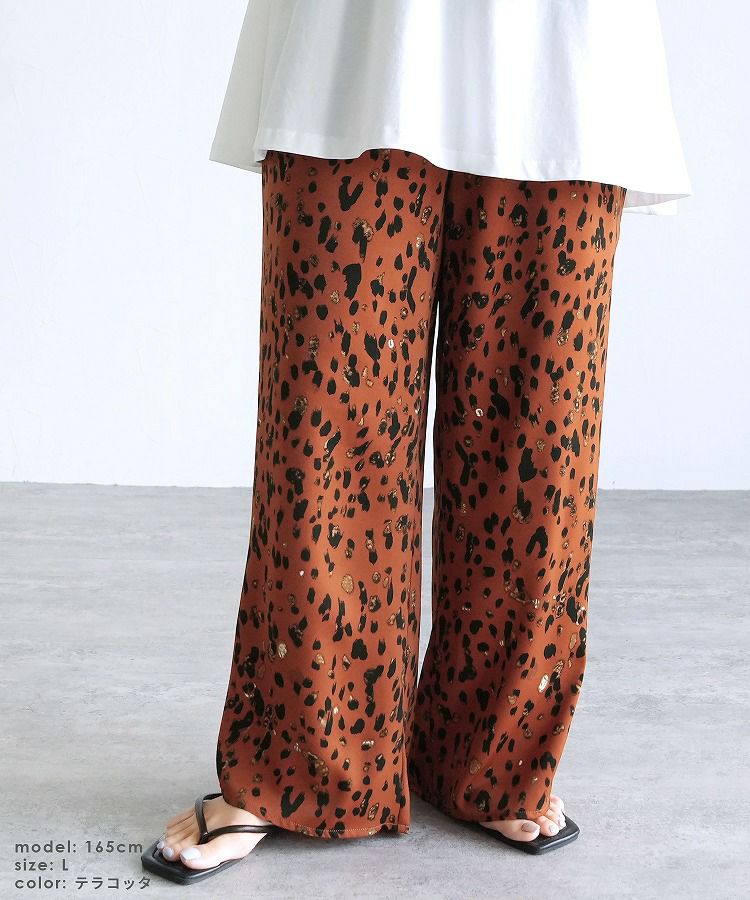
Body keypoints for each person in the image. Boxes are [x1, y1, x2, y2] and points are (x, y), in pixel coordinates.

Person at [142, 0, 692, 885]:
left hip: (563, 43)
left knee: (539, 435)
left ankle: (496, 755)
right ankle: (304, 762)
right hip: (360, 38)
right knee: (323, 423)